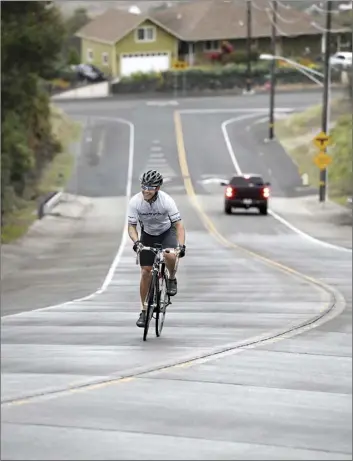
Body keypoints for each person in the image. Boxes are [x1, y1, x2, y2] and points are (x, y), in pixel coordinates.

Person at [127, 169, 186, 328]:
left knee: (170, 255)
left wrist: (181, 246)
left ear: (158, 188)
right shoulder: (135, 202)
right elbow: (131, 226)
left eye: (151, 187)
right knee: (146, 272)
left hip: (167, 233)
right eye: (144, 186)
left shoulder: (167, 201)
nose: (146, 190)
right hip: (148, 234)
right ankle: (144, 310)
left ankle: (172, 278)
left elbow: (179, 226)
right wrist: (136, 242)